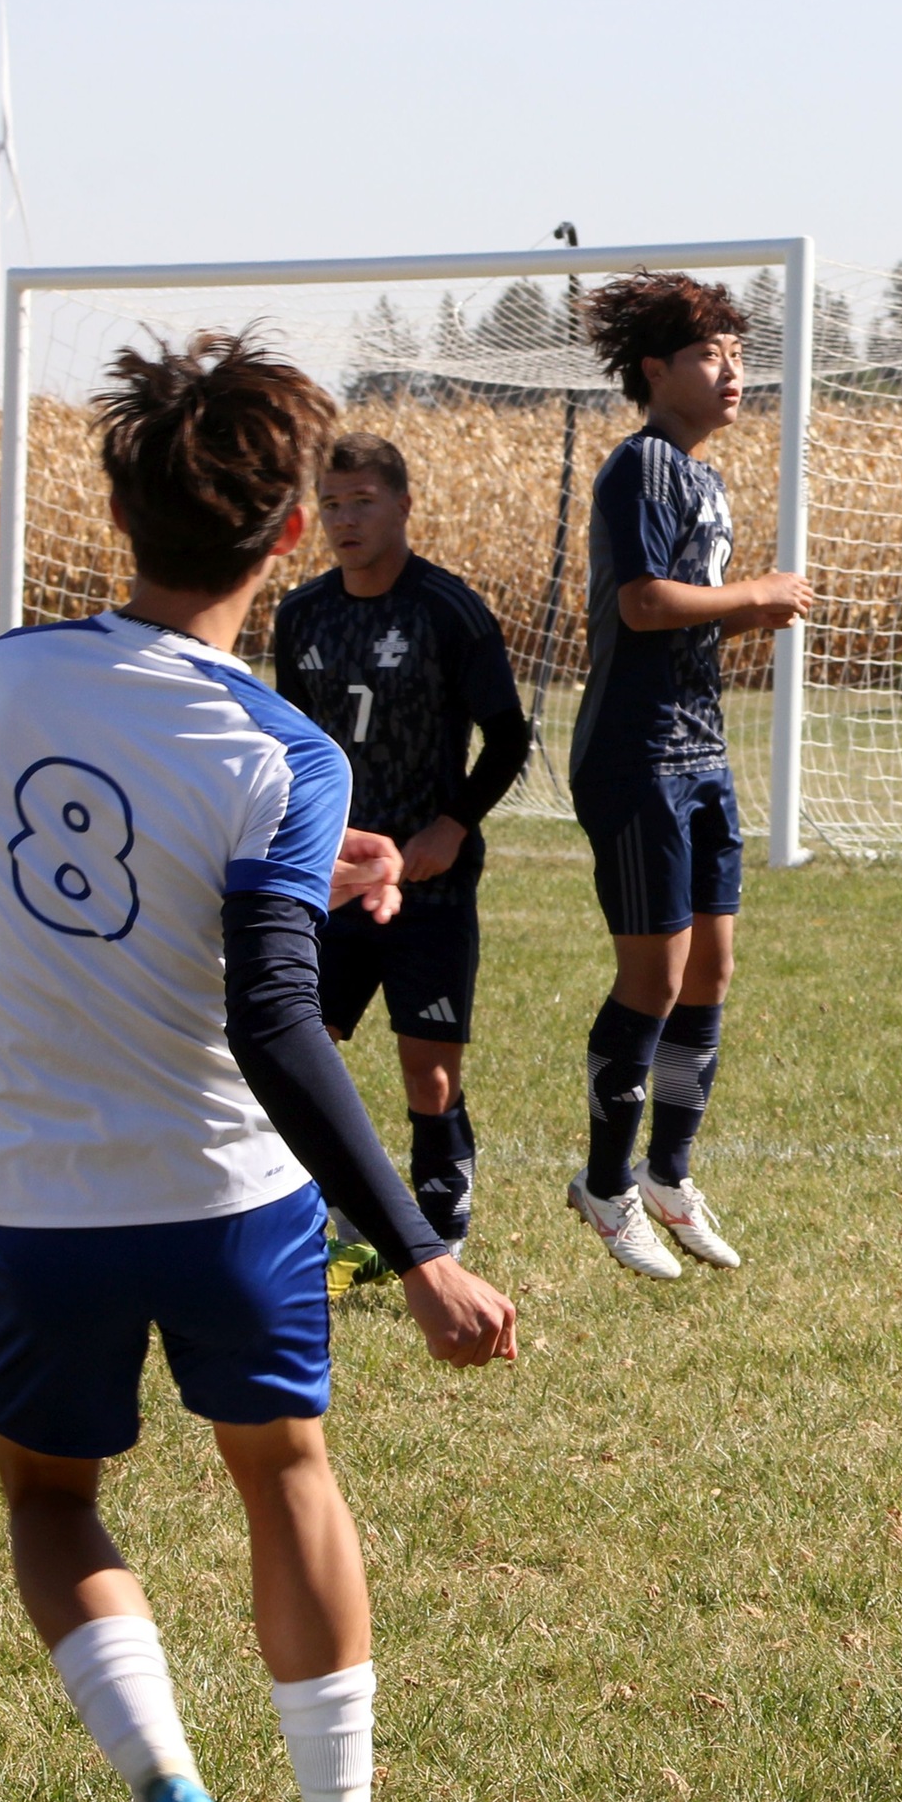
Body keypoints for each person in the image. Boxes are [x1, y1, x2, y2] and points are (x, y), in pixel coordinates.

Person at [0, 332, 516, 1802]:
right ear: (287, 533)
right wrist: (422, 1251)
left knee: (54, 1502)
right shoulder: (284, 748)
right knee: (285, 1477)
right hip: (225, 1199)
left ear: (120, 516)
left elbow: (110, 839)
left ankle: (172, 1790)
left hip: (36, 1199)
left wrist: (303, 873)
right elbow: (272, 1019)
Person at [564, 274, 814, 1280]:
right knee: (653, 978)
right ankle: (604, 1182)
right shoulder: (641, 468)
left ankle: (668, 1174)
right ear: (657, 369)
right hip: (634, 757)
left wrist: (741, 608)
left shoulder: (703, 479)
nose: (734, 374)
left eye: (740, 357)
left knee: (710, 971)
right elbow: (641, 604)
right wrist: (754, 596)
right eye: (713, 356)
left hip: (701, 751)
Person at [274, 434, 529, 1269]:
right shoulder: (301, 615)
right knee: (303, 1051)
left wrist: (451, 825)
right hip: (334, 881)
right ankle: (339, 1208)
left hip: (432, 888)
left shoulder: (446, 609)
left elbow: (507, 736)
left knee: (430, 1076)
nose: (346, 520)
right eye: (334, 504)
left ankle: (440, 1225)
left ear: (403, 506)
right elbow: (291, 741)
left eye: (364, 502)